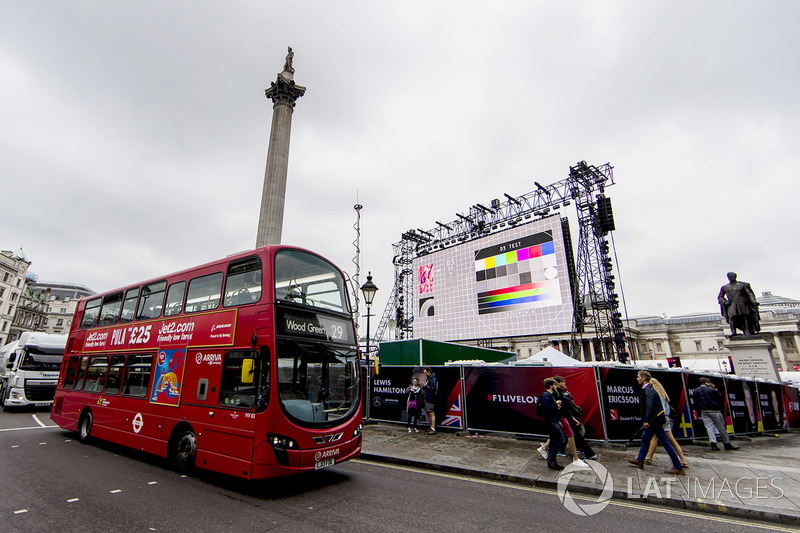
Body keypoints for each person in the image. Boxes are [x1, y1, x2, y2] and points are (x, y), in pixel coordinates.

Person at [627, 370, 685, 476]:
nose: (637, 379)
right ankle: (640, 460)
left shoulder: (649, 390)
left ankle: (678, 466)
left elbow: (650, 406)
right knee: (645, 439)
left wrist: (646, 420)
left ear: (644, 378)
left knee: (666, 443)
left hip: (655, 421)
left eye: (638, 377)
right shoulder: (648, 389)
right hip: (655, 421)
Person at [644, 377, 689, 468]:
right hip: (666, 417)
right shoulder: (663, 394)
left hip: (659, 418)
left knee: (654, 438)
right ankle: (683, 460)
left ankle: (648, 458)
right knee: (671, 439)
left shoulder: (654, 394)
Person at [693, 377, 739, 451]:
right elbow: (720, 397)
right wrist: (715, 388)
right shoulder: (712, 390)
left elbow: (695, 402)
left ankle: (714, 444)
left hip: (704, 411)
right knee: (721, 428)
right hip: (714, 410)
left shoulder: (696, 391)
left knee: (709, 428)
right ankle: (727, 443)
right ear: (706, 382)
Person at [537, 378, 566, 471]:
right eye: (554, 385)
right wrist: (556, 404)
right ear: (550, 386)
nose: (556, 387)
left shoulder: (550, 395)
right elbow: (547, 407)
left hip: (553, 420)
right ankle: (551, 458)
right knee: (561, 439)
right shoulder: (546, 395)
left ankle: (552, 461)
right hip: (550, 421)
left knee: (553, 439)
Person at [422, 367, 439, 433]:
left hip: (431, 398)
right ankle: (431, 427)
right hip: (427, 397)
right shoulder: (428, 378)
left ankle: (433, 428)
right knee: (428, 412)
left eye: (425, 372)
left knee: (431, 413)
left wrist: (426, 386)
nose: (425, 374)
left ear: (429, 371)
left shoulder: (433, 379)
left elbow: (433, 388)